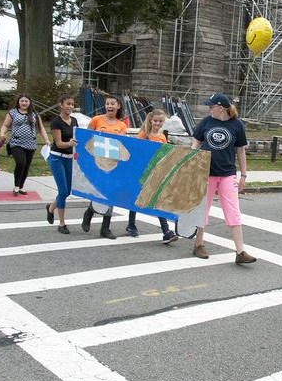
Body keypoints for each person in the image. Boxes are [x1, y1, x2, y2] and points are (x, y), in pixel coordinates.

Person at [190, 92, 256, 265]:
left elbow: (240, 151)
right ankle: (199, 244)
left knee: (233, 210)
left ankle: (240, 251)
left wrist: (244, 174)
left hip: (227, 173)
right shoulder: (206, 122)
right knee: (204, 209)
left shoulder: (237, 125)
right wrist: (193, 157)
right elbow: (196, 141)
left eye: (211, 106)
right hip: (206, 172)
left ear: (220, 108)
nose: (209, 108)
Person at [127, 109, 179, 244]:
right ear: (151, 120)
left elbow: (164, 154)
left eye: (160, 121)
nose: (158, 123)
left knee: (156, 199)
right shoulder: (144, 134)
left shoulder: (162, 137)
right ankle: (131, 225)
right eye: (155, 120)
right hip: (142, 170)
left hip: (156, 171)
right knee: (137, 198)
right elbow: (137, 150)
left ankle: (166, 231)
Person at [81, 95, 128, 240]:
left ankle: (105, 228)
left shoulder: (122, 125)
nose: (110, 106)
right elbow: (86, 138)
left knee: (110, 195)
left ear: (118, 106)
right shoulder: (96, 120)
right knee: (98, 191)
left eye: (113, 103)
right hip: (97, 163)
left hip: (113, 164)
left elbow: (122, 145)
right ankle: (89, 212)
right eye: (107, 103)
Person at [0, 94, 50, 196]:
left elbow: (41, 128)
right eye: (22, 101)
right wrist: (2, 133)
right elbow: (5, 125)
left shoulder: (35, 114)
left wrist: (46, 139)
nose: (24, 103)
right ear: (18, 102)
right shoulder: (13, 113)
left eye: (26, 101)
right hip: (16, 143)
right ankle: (16, 186)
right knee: (21, 163)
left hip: (31, 143)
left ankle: (21, 186)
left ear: (29, 102)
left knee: (26, 166)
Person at [45, 94, 78, 234]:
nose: (70, 107)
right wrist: (70, 143)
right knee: (63, 191)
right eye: (67, 104)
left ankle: (51, 208)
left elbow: (77, 138)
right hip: (57, 158)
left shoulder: (75, 121)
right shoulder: (56, 122)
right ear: (61, 105)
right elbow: (59, 143)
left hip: (69, 158)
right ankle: (62, 223)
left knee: (67, 191)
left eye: (72, 104)